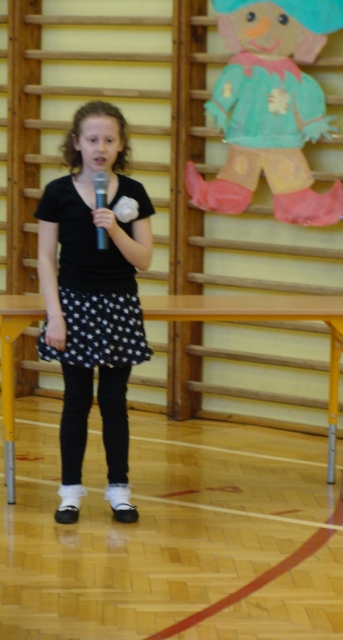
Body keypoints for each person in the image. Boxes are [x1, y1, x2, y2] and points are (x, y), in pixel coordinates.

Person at [35, 100, 156, 525]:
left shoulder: (134, 192)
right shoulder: (58, 193)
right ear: (76, 143)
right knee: (76, 400)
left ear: (121, 145)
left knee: (114, 401)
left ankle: (119, 489)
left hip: (119, 303)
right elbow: (45, 258)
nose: (100, 147)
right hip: (73, 304)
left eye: (108, 139)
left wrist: (114, 228)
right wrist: (55, 316)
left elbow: (144, 259)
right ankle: (70, 491)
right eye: (92, 139)